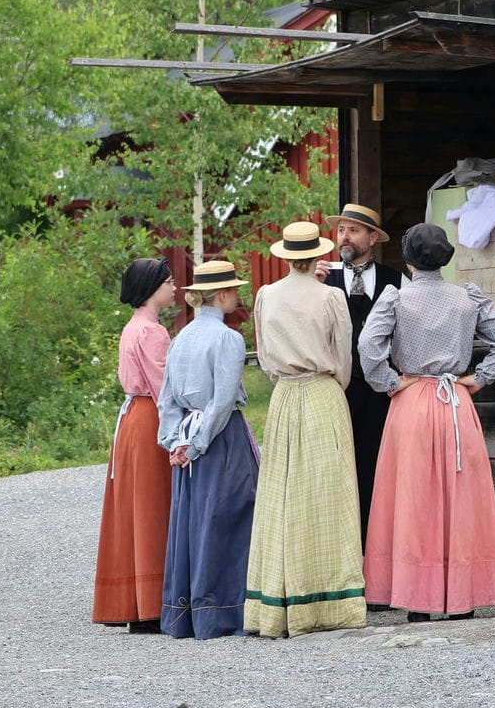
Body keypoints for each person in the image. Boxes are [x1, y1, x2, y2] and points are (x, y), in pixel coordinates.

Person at [358, 222, 495, 622]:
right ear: (445, 258)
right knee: (461, 499)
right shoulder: (467, 297)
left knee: (414, 501)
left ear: (408, 259)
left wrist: (390, 383)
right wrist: (479, 378)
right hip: (455, 404)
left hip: (411, 403)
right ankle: (462, 598)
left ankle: (418, 599)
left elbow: (367, 347)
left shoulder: (395, 299)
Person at [243, 221, 367, 638]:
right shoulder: (331, 296)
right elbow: (343, 357)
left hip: (284, 397)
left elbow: (263, 357)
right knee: (327, 494)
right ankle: (328, 597)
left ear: (285, 256)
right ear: (317, 255)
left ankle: (278, 599)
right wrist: (332, 385)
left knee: (281, 494)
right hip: (322, 393)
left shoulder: (265, 295)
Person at [156, 260, 259, 639]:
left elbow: (167, 400)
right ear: (221, 295)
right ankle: (222, 610)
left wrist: (175, 441)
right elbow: (222, 400)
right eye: (234, 289)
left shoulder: (181, 336)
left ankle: (186, 613)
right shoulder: (228, 339)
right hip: (219, 438)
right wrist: (196, 445)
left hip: (187, 434)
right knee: (229, 514)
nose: (238, 294)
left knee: (192, 519)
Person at [91, 258, 177, 633]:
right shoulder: (152, 332)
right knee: (152, 506)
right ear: (152, 287)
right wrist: (182, 428)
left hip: (131, 421)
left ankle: (133, 601)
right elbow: (163, 387)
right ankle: (151, 603)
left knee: (133, 506)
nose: (175, 287)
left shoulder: (133, 327)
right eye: (169, 281)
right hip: (149, 419)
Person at [316, 202, 402, 543]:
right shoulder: (323, 278)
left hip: (380, 392)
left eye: (353, 230)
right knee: (336, 469)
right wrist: (314, 288)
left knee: (375, 467)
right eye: (340, 230)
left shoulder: (397, 281)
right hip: (337, 389)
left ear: (372, 238)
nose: (344, 237)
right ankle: (340, 545)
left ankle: (375, 544)